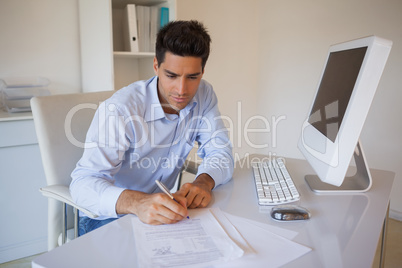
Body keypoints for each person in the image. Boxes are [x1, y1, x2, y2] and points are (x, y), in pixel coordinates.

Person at [70, 20, 234, 236]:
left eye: (192, 77)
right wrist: (138, 203)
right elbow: (82, 185)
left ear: (202, 71)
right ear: (156, 66)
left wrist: (204, 181)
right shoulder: (120, 109)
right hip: (107, 218)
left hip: (158, 215)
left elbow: (221, 152)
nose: (182, 90)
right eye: (171, 76)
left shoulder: (204, 94)